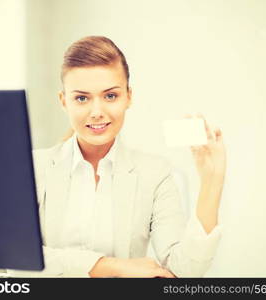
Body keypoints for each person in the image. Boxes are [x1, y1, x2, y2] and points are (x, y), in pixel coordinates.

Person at [31, 36, 226, 278]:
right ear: (64, 101)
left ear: (128, 96)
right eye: (81, 98)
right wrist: (111, 266)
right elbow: (18, 263)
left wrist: (212, 180)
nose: (97, 112)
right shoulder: (33, 168)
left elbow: (184, 271)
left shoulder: (155, 174)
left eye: (110, 96)